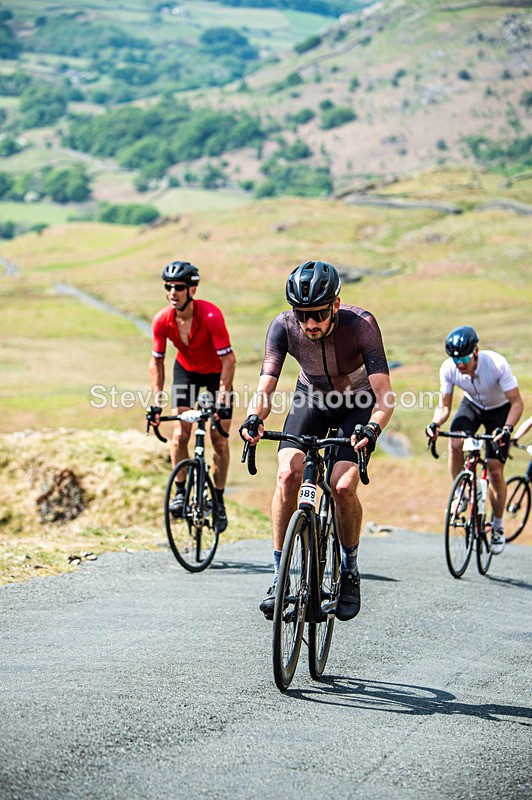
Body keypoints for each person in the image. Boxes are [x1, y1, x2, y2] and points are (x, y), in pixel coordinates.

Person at [240, 260, 394, 621]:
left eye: (319, 314)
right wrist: (254, 417)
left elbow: (384, 396)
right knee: (286, 475)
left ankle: (349, 569)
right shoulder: (283, 327)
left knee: (341, 486)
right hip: (311, 398)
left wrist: (372, 429)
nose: (310, 324)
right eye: (302, 315)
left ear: (335, 305)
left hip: (358, 404)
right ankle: (279, 578)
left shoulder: (361, 325)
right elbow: (265, 387)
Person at [147, 261, 236, 532]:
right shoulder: (162, 320)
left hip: (216, 375)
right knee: (180, 435)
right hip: (186, 372)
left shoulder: (210, 316)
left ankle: (218, 500)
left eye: (179, 287)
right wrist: (156, 403)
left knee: (219, 440)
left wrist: (222, 398)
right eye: (168, 287)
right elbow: (157, 362)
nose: (173, 292)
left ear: (192, 290)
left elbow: (229, 361)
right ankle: (180, 491)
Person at [426, 325, 523, 555]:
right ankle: (461, 491)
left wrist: (507, 429)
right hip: (472, 405)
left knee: (495, 471)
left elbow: (517, 403)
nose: (460, 364)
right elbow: (445, 406)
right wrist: (435, 424)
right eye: (455, 359)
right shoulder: (448, 369)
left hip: (500, 410)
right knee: (455, 443)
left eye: (464, 358)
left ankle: (497, 525)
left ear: (476, 351)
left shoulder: (497, 364)